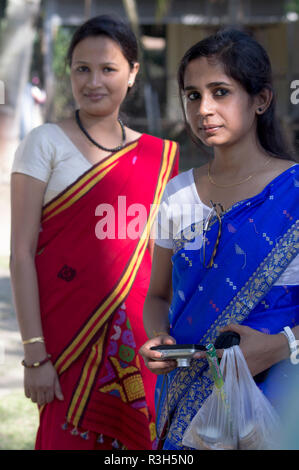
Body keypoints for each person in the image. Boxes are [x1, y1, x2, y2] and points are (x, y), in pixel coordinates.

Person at [10, 15, 179, 451]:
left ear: (133, 72)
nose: (93, 81)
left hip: (142, 343)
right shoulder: (43, 142)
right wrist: (34, 355)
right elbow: (21, 253)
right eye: (82, 68)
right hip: (66, 343)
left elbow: (165, 261)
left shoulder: (159, 159)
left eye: (108, 69)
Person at [139, 28, 299, 450]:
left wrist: (281, 345)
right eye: (192, 95)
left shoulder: (294, 193)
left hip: (281, 403)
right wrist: (158, 338)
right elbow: (157, 296)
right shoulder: (178, 193)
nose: (204, 109)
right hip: (189, 408)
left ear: (261, 100)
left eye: (220, 92)